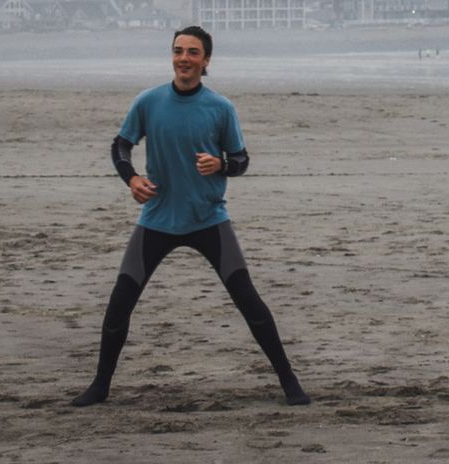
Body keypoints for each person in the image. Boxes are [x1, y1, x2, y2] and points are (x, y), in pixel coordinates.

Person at [70, 25, 308, 407]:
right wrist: (131, 179)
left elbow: (242, 161)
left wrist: (221, 164)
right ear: (172, 56)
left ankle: (289, 381)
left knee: (249, 300)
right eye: (179, 51)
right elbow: (121, 145)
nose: (184, 58)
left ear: (206, 61)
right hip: (157, 220)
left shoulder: (220, 108)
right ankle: (99, 386)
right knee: (120, 302)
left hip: (208, 219)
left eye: (193, 52)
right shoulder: (149, 101)